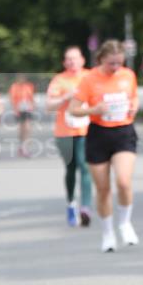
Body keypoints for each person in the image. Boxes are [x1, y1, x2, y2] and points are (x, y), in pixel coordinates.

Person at [69, 40, 139, 252]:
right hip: (98, 134)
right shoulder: (89, 79)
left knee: (123, 182)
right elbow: (74, 109)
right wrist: (94, 110)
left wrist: (134, 107)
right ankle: (108, 233)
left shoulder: (128, 75)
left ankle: (125, 223)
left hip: (124, 132)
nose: (116, 67)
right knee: (103, 189)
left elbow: (134, 98)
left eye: (119, 63)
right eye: (111, 63)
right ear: (100, 60)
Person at [46, 47, 92, 227]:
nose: (72, 62)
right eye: (68, 59)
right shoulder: (59, 80)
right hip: (64, 132)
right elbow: (49, 106)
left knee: (85, 166)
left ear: (82, 60)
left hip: (87, 130)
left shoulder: (90, 76)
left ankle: (85, 208)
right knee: (71, 168)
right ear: (64, 63)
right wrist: (66, 96)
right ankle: (71, 203)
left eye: (75, 58)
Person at [8, 74, 36, 157]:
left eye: (23, 79)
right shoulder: (14, 87)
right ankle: (21, 145)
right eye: (20, 79)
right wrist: (15, 109)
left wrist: (32, 105)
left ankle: (25, 147)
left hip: (27, 109)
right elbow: (12, 99)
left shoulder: (29, 86)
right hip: (19, 110)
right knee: (21, 130)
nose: (22, 80)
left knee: (27, 128)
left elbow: (31, 97)